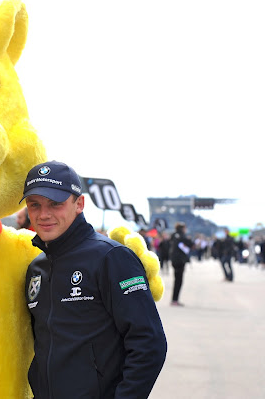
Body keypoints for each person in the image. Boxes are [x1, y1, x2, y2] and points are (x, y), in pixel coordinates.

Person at [22, 161, 167, 399]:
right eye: (34, 205)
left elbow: (149, 344)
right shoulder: (36, 268)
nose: (44, 214)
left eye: (55, 204)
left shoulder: (112, 257)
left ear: (79, 203)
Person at [169, 222, 193, 306]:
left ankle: (174, 299)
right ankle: (175, 300)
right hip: (180, 261)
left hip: (173, 260)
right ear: (182, 228)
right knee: (179, 281)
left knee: (176, 280)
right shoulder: (181, 236)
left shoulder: (173, 235)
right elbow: (190, 244)